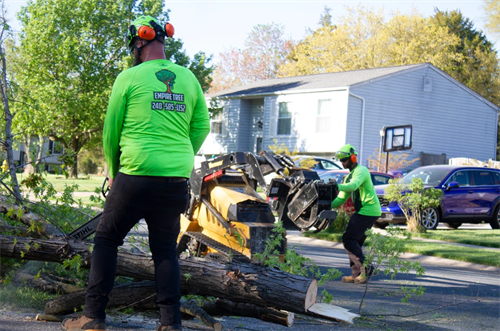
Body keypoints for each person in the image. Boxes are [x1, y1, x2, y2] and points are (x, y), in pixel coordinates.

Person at [62, 15, 210, 331]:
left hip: (134, 175)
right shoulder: (188, 79)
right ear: (163, 40)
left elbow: (110, 132)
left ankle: (93, 317)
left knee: (105, 240)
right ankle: (170, 323)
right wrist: (179, 155)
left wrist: (114, 170)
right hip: (175, 180)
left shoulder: (128, 78)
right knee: (165, 250)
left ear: (138, 42)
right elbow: (202, 126)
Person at [330, 144, 381, 284]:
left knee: (348, 239)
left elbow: (354, 185)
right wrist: (325, 205)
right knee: (355, 242)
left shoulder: (362, 170)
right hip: (364, 211)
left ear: (353, 157)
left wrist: (336, 185)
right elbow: (341, 199)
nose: (342, 163)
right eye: (341, 161)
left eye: (344, 160)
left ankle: (366, 268)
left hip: (369, 210)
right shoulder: (347, 178)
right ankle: (356, 275)